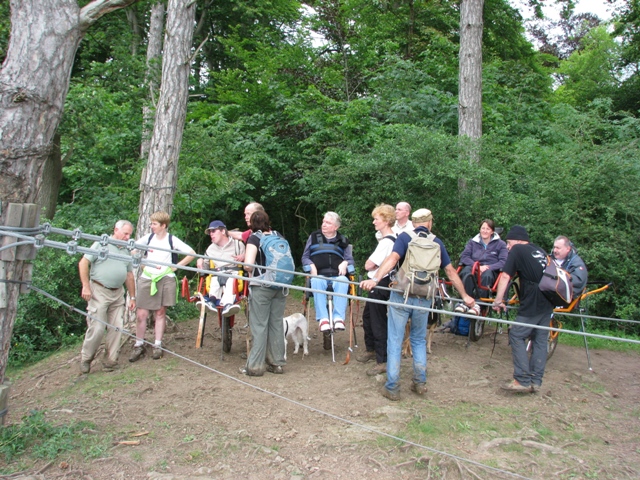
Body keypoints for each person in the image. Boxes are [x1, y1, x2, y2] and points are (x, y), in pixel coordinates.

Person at [361, 209, 476, 401]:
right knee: (418, 339)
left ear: (414, 223)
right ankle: (420, 383)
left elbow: (393, 259)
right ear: (430, 222)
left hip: (402, 295)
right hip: (425, 297)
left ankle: (392, 387)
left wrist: (376, 279)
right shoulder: (436, 242)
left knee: (395, 340)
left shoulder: (404, 238)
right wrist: (465, 296)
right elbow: (449, 270)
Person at [492, 225, 554, 393]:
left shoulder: (518, 249)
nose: (507, 246)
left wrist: (498, 301)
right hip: (548, 299)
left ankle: (522, 379)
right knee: (540, 340)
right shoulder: (539, 250)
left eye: (509, 242)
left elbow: (505, 276)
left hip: (533, 300)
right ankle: (536, 381)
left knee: (516, 334)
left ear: (519, 240)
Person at [131, 211, 196, 362]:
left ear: (163, 225)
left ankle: (157, 345)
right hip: (147, 277)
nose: (151, 226)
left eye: (154, 224)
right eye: (151, 223)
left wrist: (176, 266)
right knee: (141, 313)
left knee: (160, 312)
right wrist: (141, 262)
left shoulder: (171, 240)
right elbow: (132, 247)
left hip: (166, 277)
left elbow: (191, 253)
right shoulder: (148, 238)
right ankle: (138, 344)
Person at [78, 220, 137, 374]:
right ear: (116, 230)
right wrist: (85, 286)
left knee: (117, 327)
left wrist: (132, 297)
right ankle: (86, 359)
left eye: (130, 234)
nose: (127, 237)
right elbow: (83, 263)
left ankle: (110, 361)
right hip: (99, 290)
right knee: (97, 328)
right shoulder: (101, 244)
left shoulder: (126, 250)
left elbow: (129, 275)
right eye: (125, 233)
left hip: (118, 293)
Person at [240, 210, 287, 376]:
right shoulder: (278, 235)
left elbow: (248, 265)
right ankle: (277, 363)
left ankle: (255, 366)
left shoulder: (254, 238)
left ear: (252, 224)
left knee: (259, 325)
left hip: (261, 286)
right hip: (280, 286)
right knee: (276, 323)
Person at [357, 204, 396, 376]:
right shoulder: (391, 239)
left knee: (377, 320)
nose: (374, 222)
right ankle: (371, 349)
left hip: (380, 282)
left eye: (376, 219)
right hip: (381, 281)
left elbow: (369, 264)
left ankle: (383, 360)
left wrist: (373, 268)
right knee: (368, 316)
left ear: (386, 221)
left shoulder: (387, 242)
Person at [301, 212, 355, 332]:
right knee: (316, 281)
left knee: (343, 281)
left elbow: (350, 259)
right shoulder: (314, 237)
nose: (324, 225)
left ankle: (338, 318)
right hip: (319, 274)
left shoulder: (343, 240)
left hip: (337, 275)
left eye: (328, 223)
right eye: (323, 221)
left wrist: (346, 262)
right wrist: (310, 264)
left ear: (336, 227)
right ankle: (323, 319)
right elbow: (305, 257)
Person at [455, 219, 508, 313]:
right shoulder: (472, 242)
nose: (485, 231)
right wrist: (477, 267)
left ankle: (479, 305)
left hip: (491, 271)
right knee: (467, 270)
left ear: (492, 231)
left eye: (488, 229)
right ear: (479, 229)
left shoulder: (501, 244)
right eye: (483, 228)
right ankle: (465, 301)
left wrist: (489, 267)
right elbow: (464, 257)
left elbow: (504, 261)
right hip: (474, 268)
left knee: (487, 274)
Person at [196, 220, 246, 317]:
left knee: (231, 281)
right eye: (210, 232)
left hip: (233, 274)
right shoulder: (210, 248)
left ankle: (228, 304)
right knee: (214, 282)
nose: (211, 234)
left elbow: (248, 262)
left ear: (223, 231)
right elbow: (205, 267)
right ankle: (212, 301)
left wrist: (244, 256)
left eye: (213, 231)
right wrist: (201, 260)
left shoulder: (238, 245)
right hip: (217, 274)